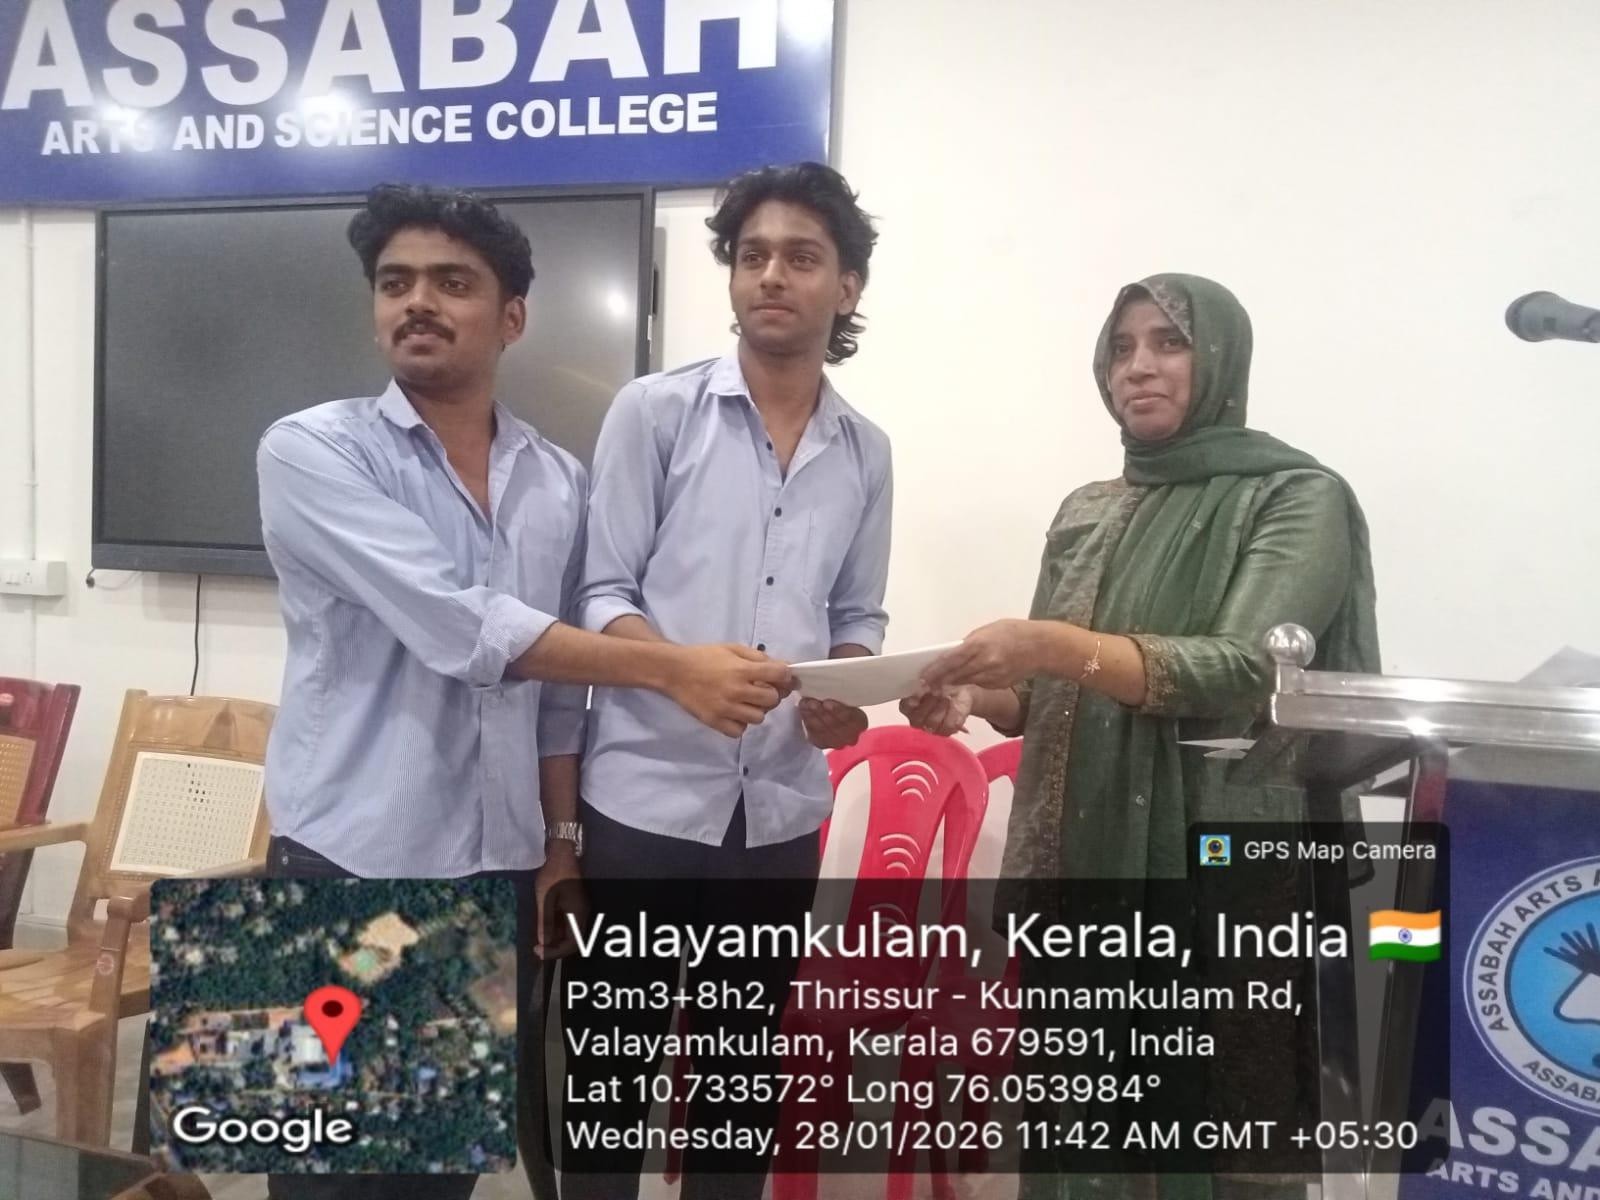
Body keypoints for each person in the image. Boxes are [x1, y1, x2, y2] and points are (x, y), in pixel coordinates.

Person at [255, 182, 790, 1200]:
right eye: (395, 283)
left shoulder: (558, 480)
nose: (418, 302)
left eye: (451, 283)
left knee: (439, 1169)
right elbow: (464, 628)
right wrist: (676, 667)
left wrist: (559, 847)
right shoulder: (311, 448)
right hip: (347, 865)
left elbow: (556, 699)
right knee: (326, 1173)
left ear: (511, 318)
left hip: (495, 874)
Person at [904, 273, 1380, 1199]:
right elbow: (1043, 697)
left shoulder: (1294, 495)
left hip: (1225, 869)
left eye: (1169, 342)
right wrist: (975, 699)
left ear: (1222, 359)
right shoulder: (1086, 509)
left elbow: (1241, 667)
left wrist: (1050, 644)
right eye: (1121, 347)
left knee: (1221, 1130)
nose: (1139, 366)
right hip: (1082, 863)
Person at [559, 162, 892, 1200]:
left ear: (846, 285)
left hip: (780, 808)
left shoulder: (866, 452)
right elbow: (600, 587)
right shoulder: (654, 413)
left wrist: (845, 689)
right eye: (753, 257)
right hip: (644, 800)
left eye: (801, 257)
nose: (771, 276)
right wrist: (678, 675)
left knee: (740, 1086)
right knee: (611, 1079)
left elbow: (856, 615)